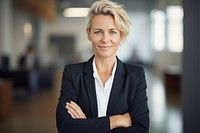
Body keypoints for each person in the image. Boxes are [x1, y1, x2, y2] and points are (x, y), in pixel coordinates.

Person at [56, 0, 149, 133]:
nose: (105, 39)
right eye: (98, 32)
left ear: (121, 35)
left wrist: (86, 124)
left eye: (112, 32)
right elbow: (65, 126)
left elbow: (141, 129)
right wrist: (116, 120)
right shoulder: (72, 73)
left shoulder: (135, 76)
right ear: (88, 33)